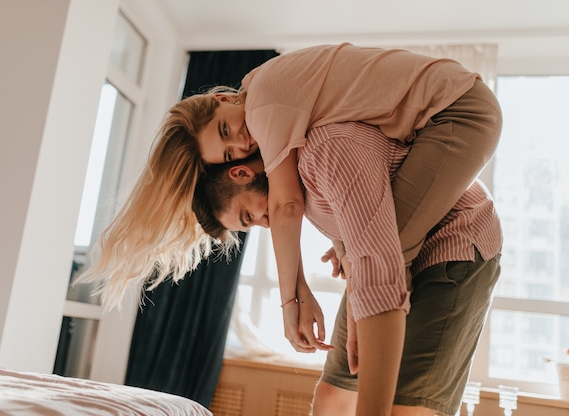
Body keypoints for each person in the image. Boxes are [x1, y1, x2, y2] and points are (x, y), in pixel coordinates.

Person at [77, 43, 502, 322]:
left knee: (385, 256)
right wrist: (341, 243)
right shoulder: (269, 102)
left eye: (226, 131)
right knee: (373, 253)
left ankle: (365, 350)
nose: (242, 143)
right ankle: (363, 345)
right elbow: (335, 176)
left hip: (460, 111)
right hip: (443, 114)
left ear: (222, 101)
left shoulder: (262, 101)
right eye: (228, 154)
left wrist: (289, 303)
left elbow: (286, 206)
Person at [192, 121, 502, 416]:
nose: (264, 223)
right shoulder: (300, 191)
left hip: (456, 235)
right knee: (333, 395)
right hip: (389, 247)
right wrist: (343, 245)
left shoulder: (323, 153)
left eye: (249, 216)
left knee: (405, 405)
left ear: (242, 172)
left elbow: (377, 257)